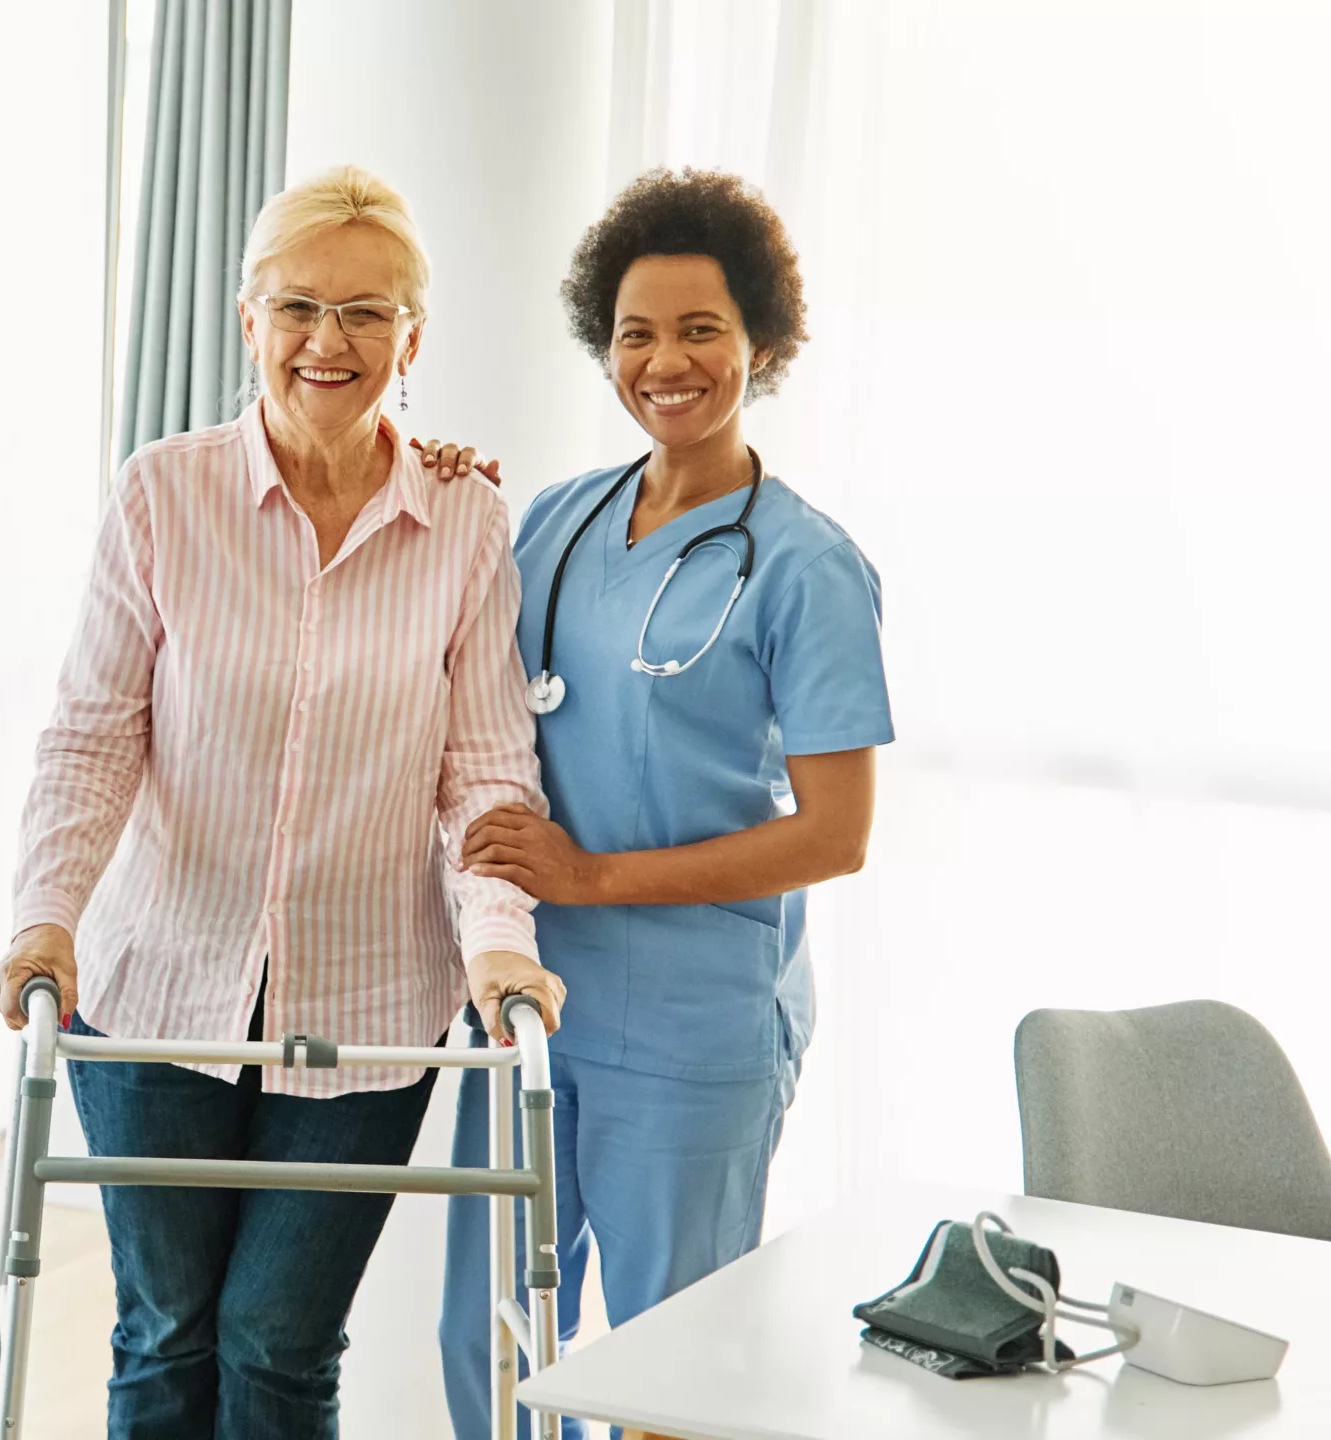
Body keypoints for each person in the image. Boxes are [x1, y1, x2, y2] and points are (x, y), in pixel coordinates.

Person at [0, 165, 564, 1440]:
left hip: (367, 1006)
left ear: (415, 338)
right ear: (248, 318)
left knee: (277, 1344)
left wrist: (502, 951)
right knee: (163, 1336)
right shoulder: (161, 494)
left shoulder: (464, 520)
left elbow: (483, 773)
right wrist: (44, 920)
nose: (328, 340)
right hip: (154, 987)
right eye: (296, 304)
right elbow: (91, 740)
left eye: (367, 312)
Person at [432, 170, 892, 1440]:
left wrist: (590, 878)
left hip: (691, 1032)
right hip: (526, 998)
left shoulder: (805, 565)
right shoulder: (554, 520)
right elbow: (465, 680)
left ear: (762, 344)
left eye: (700, 330)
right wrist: (421, 482)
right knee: (486, 1332)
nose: (665, 361)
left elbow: (835, 837)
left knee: (659, 1370)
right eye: (635, 333)